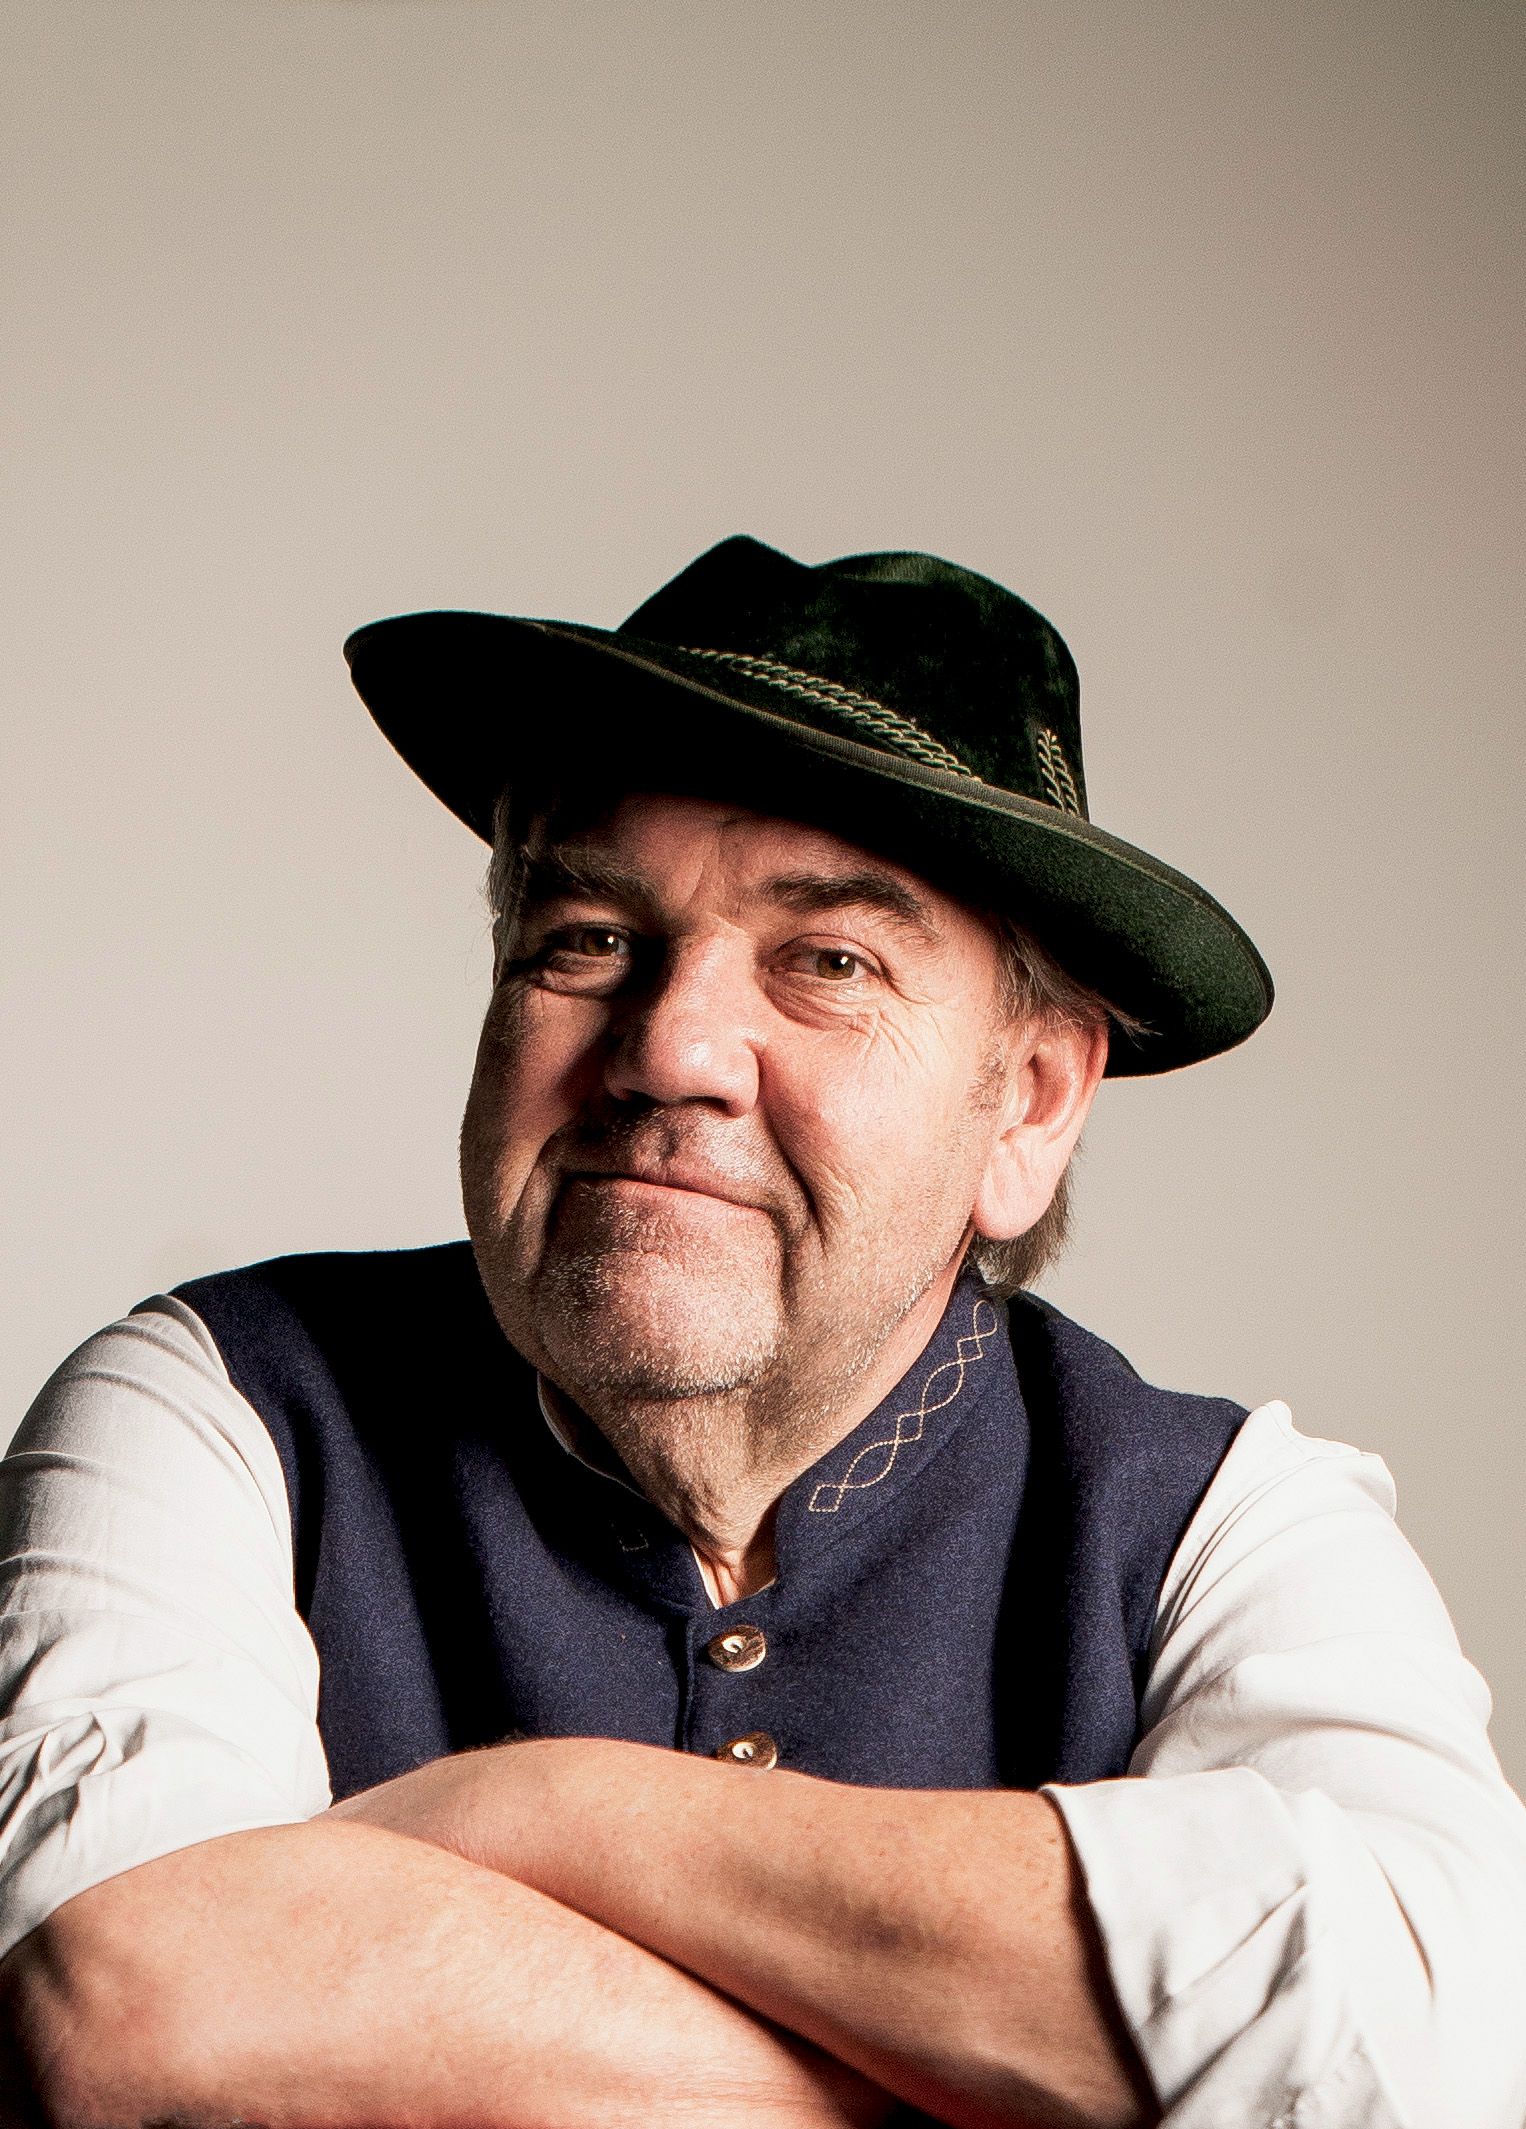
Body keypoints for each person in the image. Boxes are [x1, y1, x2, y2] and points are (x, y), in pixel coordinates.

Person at [1, 536, 1523, 2129]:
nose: (669, 1047)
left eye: (826, 962)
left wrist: (536, 1806)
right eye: (587, 936)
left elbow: (1426, 2046)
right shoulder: (214, 1406)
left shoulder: (1224, 1517)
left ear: (1027, 1103)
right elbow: (128, 1998)